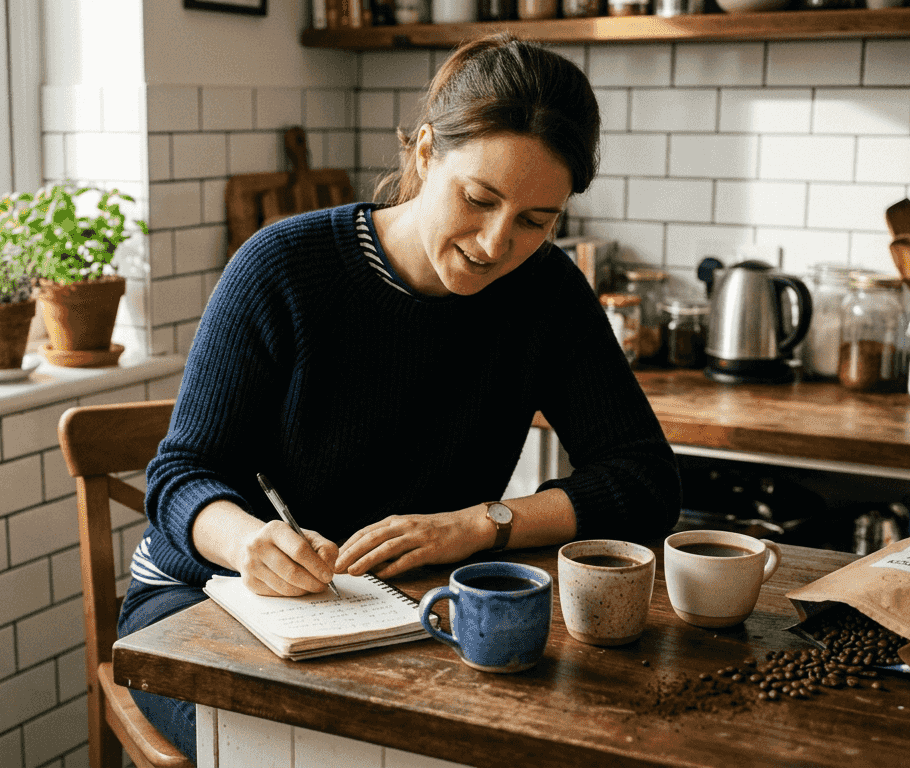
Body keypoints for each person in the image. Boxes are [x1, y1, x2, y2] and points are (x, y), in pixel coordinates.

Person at [118, 33, 681, 761]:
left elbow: (646, 479)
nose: (494, 243)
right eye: (478, 198)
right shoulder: (282, 267)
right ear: (424, 154)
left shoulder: (546, 295)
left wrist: (482, 525)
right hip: (204, 601)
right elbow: (182, 474)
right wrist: (249, 543)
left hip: (405, 611)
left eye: (536, 221)